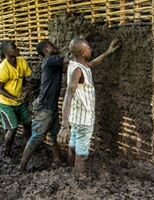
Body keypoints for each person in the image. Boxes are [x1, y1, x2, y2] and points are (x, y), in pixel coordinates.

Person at [58, 38, 119, 174]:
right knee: (82, 153)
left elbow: (90, 64)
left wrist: (108, 52)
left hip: (76, 116)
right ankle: (79, 179)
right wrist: (64, 125)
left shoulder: (75, 65)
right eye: (89, 49)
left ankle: (70, 170)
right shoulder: (77, 71)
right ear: (83, 53)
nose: (91, 50)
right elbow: (68, 95)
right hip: (84, 119)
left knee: (73, 145)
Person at [18, 41, 70, 171]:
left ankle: (57, 160)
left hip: (49, 106)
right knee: (37, 137)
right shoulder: (50, 60)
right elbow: (69, 58)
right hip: (45, 107)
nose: (56, 46)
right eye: (52, 45)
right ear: (46, 50)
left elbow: (65, 66)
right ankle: (22, 166)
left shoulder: (51, 63)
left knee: (54, 134)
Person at [0, 40, 32, 157]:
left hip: (20, 102)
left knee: (28, 123)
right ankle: (6, 152)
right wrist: (14, 97)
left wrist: (26, 91)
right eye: (14, 47)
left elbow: (26, 79)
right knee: (12, 129)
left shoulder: (22, 62)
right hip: (6, 103)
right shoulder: (3, 68)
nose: (17, 49)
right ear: (6, 52)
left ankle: (28, 148)